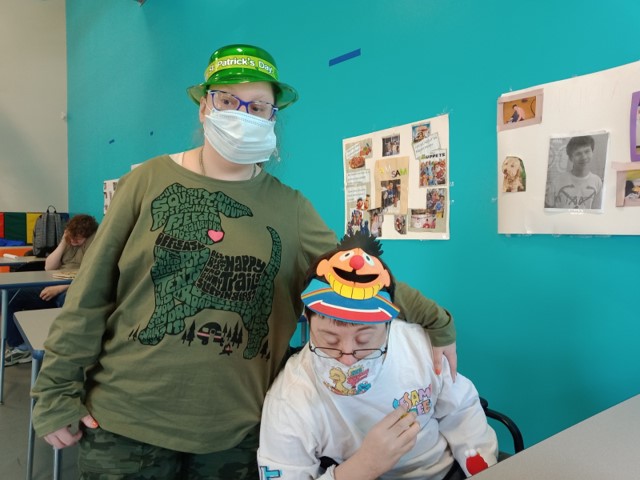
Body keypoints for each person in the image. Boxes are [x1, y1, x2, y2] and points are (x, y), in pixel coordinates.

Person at [31, 44, 457, 479]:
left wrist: (437, 322)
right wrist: (56, 392)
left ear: (273, 117)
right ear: (203, 106)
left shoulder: (290, 208)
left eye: (259, 106)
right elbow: (89, 296)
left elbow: (358, 279)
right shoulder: (146, 182)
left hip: (237, 434)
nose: (243, 114)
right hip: (125, 424)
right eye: (228, 100)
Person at [258, 234, 497, 479]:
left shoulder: (418, 345)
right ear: (308, 320)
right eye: (330, 341)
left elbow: (461, 409)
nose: (348, 359)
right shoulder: (291, 397)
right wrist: (363, 466)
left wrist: (477, 461)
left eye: (364, 341)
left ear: (390, 324)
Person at [4, 214, 98, 366]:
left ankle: (64, 351)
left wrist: (59, 288)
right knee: (11, 294)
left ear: (87, 236)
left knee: (67, 301)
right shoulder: (68, 240)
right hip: (53, 282)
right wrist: (63, 242)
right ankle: (20, 348)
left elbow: (91, 273)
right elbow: (49, 267)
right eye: (71, 237)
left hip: (73, 286)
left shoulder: (94, 242)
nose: (73, 241)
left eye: (78, 239)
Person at [544, 135, 603, 209]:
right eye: (578, 153)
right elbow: (548, 208)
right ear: (571, 158)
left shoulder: (597, 181)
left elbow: (596, 211)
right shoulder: (557, 181)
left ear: (592, 152)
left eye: (587, 151)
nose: (584, 157)